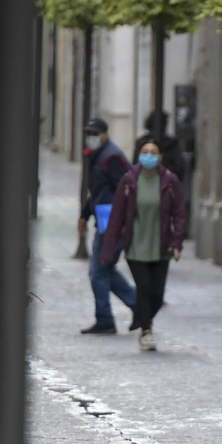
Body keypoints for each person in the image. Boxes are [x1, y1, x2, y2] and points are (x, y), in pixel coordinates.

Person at [101, 140, 186, 352]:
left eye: (153, 152)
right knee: (144, 288)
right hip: (136, 246)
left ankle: (140, 317)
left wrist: (177, 242)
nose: (149, 155)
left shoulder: (170, 181)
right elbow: (117, 216)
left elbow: (180, 213)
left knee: (157, 294)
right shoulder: (129, 180)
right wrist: (108, 250)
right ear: (139, 155)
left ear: (160, 157)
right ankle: (146, 331)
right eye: (145, 152)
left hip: (161, 247)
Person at [79, 117, 137, 334]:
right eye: (89, 134)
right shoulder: (98, 155)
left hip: (112, 223)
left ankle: (105, 319)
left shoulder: (111, 157)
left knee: (98, 271)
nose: (91, 137)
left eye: (95, 134)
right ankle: (139, 305)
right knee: (105, 270)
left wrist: (123, 222)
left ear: (105, 134)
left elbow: (126, 190)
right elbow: (98, 191)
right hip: (105, 220)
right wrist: (85, 215)